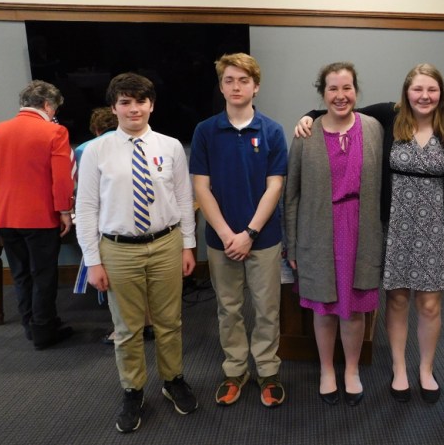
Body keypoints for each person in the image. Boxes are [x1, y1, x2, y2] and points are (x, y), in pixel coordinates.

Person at [297, 63, 444, 403]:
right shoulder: (390, 117)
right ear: (406, 93)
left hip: (432, 229)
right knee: (395, 300)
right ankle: (399, 369)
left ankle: (425, 370)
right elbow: (337, 110)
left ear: (441, 93)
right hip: (393, 224)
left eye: (431, 89)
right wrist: (309, 114)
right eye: (417, 89)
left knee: (428, 305)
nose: (424, 96)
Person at [75, 73, 198, 433]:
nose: (134, 108)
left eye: (140, 101)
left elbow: (184, 198)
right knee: (127, 328)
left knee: (169, 322)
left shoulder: (171, 146)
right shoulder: (97, 150)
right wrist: (93, 261)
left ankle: (173, 379)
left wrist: (188, 245)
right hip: (118, 250)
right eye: (125, 102)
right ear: (114, 108)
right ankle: (133, 389)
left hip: (165, 244)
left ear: (151, 105)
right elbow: (86, 208)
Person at [190, 53, 288, 409]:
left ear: (255, 87)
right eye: (229, 80)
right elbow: (201, 188)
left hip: (262, 238)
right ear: (221, 86)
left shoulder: (272, 131)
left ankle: (267, 371)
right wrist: (229, 234)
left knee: (266, 308)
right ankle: (235, 371)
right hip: (221, 240)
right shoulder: (205, 131)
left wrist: (248, 232)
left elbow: (274, 186)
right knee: (228, 308)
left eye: (243, 80)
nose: (236, 86)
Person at [285, 62, 383, 407]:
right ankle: (327, 369)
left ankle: (351, 369)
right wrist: (293, 243)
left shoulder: (373, 128)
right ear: (322, 93)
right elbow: (291, 193)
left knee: (355, 307)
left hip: (362, 228)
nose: (340, 96)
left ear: (356, 90)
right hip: (318, 228)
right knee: (324, 307)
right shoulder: (305, 134)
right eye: (332, 89)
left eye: (347, 88)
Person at [0, 80, 75, 349]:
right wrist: (65, 211)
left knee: (20, 273)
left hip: (4, 215)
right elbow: (61, 179)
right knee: (43, 274)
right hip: (39, 216)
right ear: (48, 105)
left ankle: (29, 325)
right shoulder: (54, 132)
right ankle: (43, 329)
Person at [73, 107, 155, 345]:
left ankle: (123, 330)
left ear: (96, 129)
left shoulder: (85, 149)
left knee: (115, 283)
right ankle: (148, 323)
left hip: (110, 224)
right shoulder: (146, 141)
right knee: (146, 276)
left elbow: (86, 192)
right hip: (146, 222)